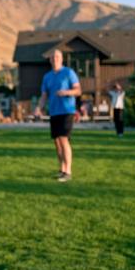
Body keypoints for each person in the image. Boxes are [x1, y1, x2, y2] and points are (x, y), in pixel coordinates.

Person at [34, 50, 81, 182]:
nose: (55, 59)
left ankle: (68, 171)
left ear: (62, 59)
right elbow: (44, 96)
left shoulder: (68, 73)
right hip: (54, 112)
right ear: (50, 60)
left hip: (67, 111)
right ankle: (62, 169)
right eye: (53, 57)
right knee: (57, 142)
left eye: (57, 56)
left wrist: (66, 92)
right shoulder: (47, 77)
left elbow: (78, 90)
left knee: (63, 139)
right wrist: (39, 108)